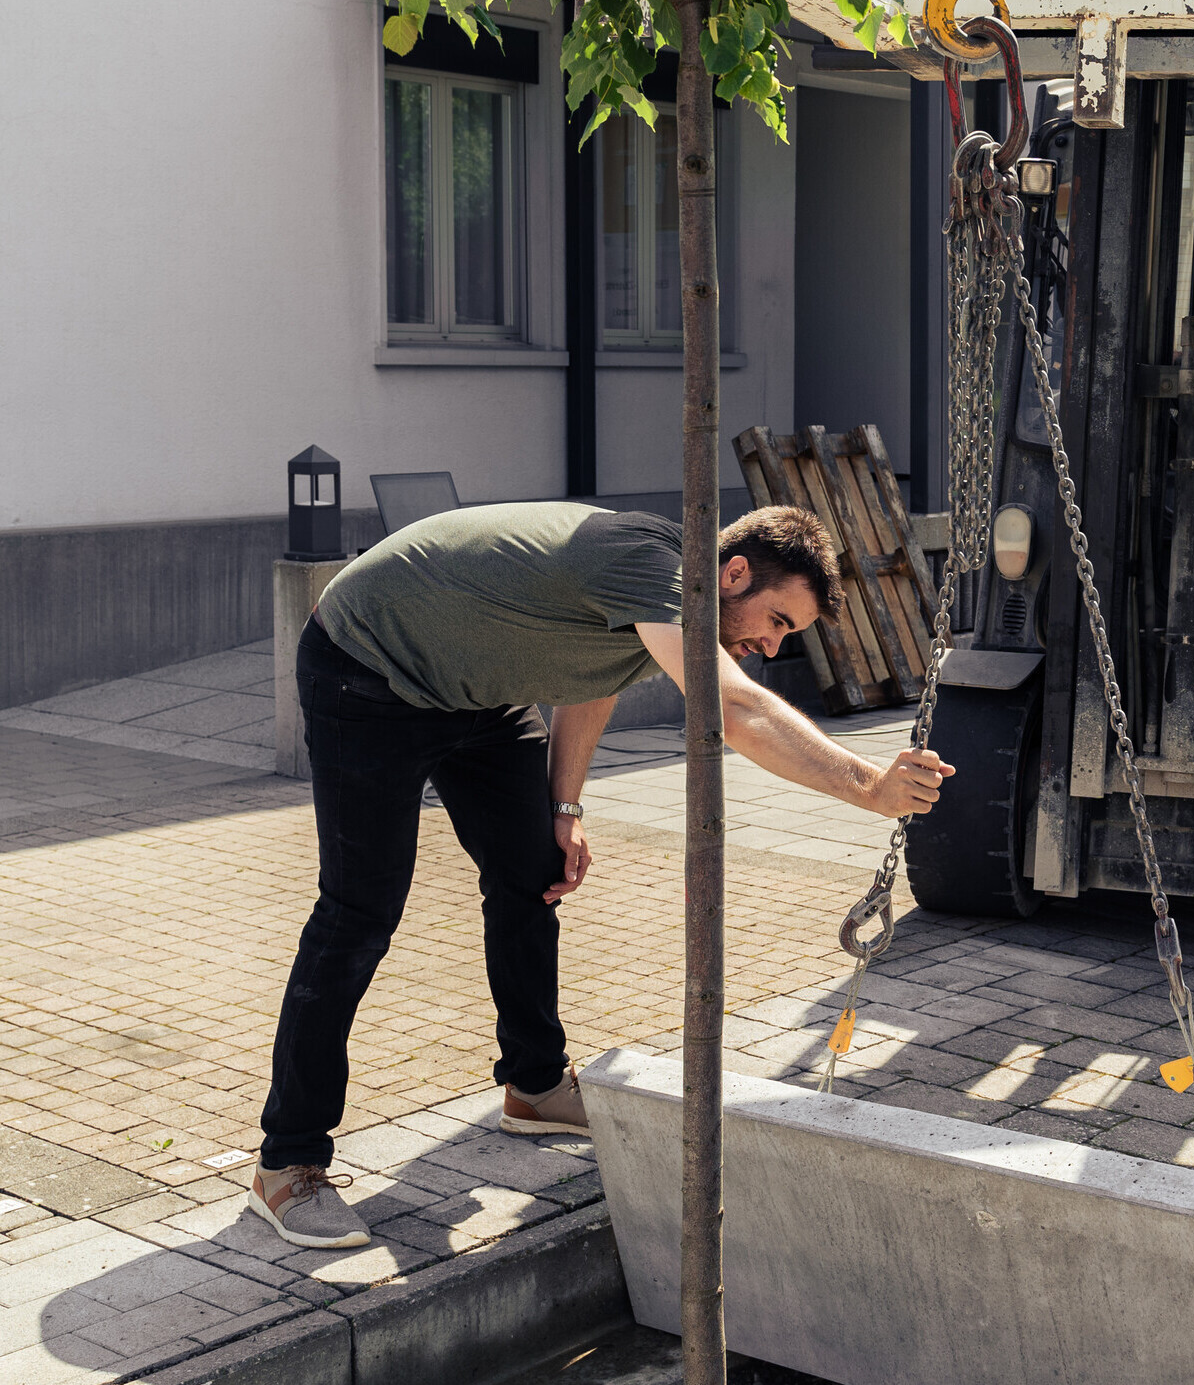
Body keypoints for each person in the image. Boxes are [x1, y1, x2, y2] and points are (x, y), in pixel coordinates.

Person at [251, 501, 953, 1250]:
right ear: (735, 572)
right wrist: (866, 785)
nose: (771, 647)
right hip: (368, 671)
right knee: (359, 914)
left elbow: (593, 672)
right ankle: (288, 1161)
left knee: (532, 876)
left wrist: (563, 804)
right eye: (776, 621)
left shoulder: (660, 601)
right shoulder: (649, 566)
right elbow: (736, 709)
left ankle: (535, 1085)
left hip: (478, 697)